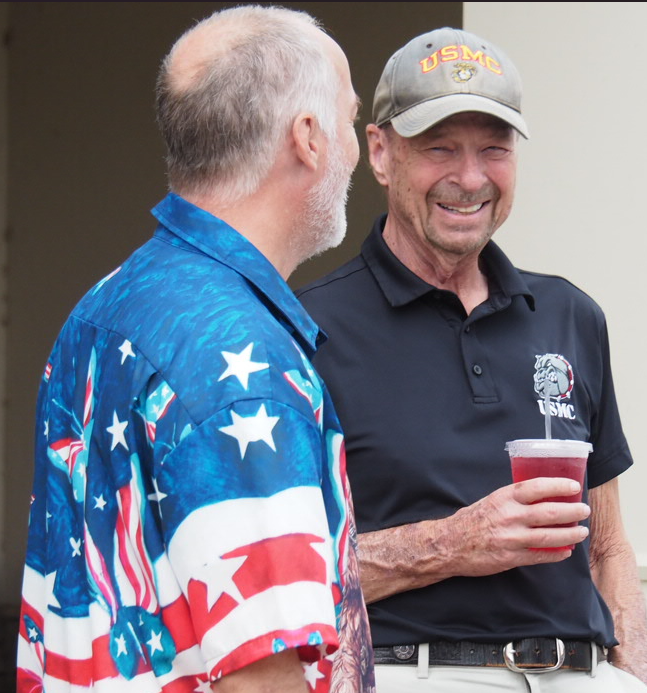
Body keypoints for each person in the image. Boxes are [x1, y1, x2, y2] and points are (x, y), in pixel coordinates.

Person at [16, 5, 375, 693]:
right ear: (307, 138)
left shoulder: (103, 304)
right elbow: (260, 672)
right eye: (350, 119)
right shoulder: (243, 364)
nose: (355, 150)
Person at [297, 26, 647, 693]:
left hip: (584, 672)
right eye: (440, 148)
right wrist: (454, 543)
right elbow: (287, 574)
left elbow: (608, 547)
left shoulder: (570, 316)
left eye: (494, 148)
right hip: (415, 672)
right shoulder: (307, 330)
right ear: (381, 152)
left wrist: (636, 680)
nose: (470, 178)